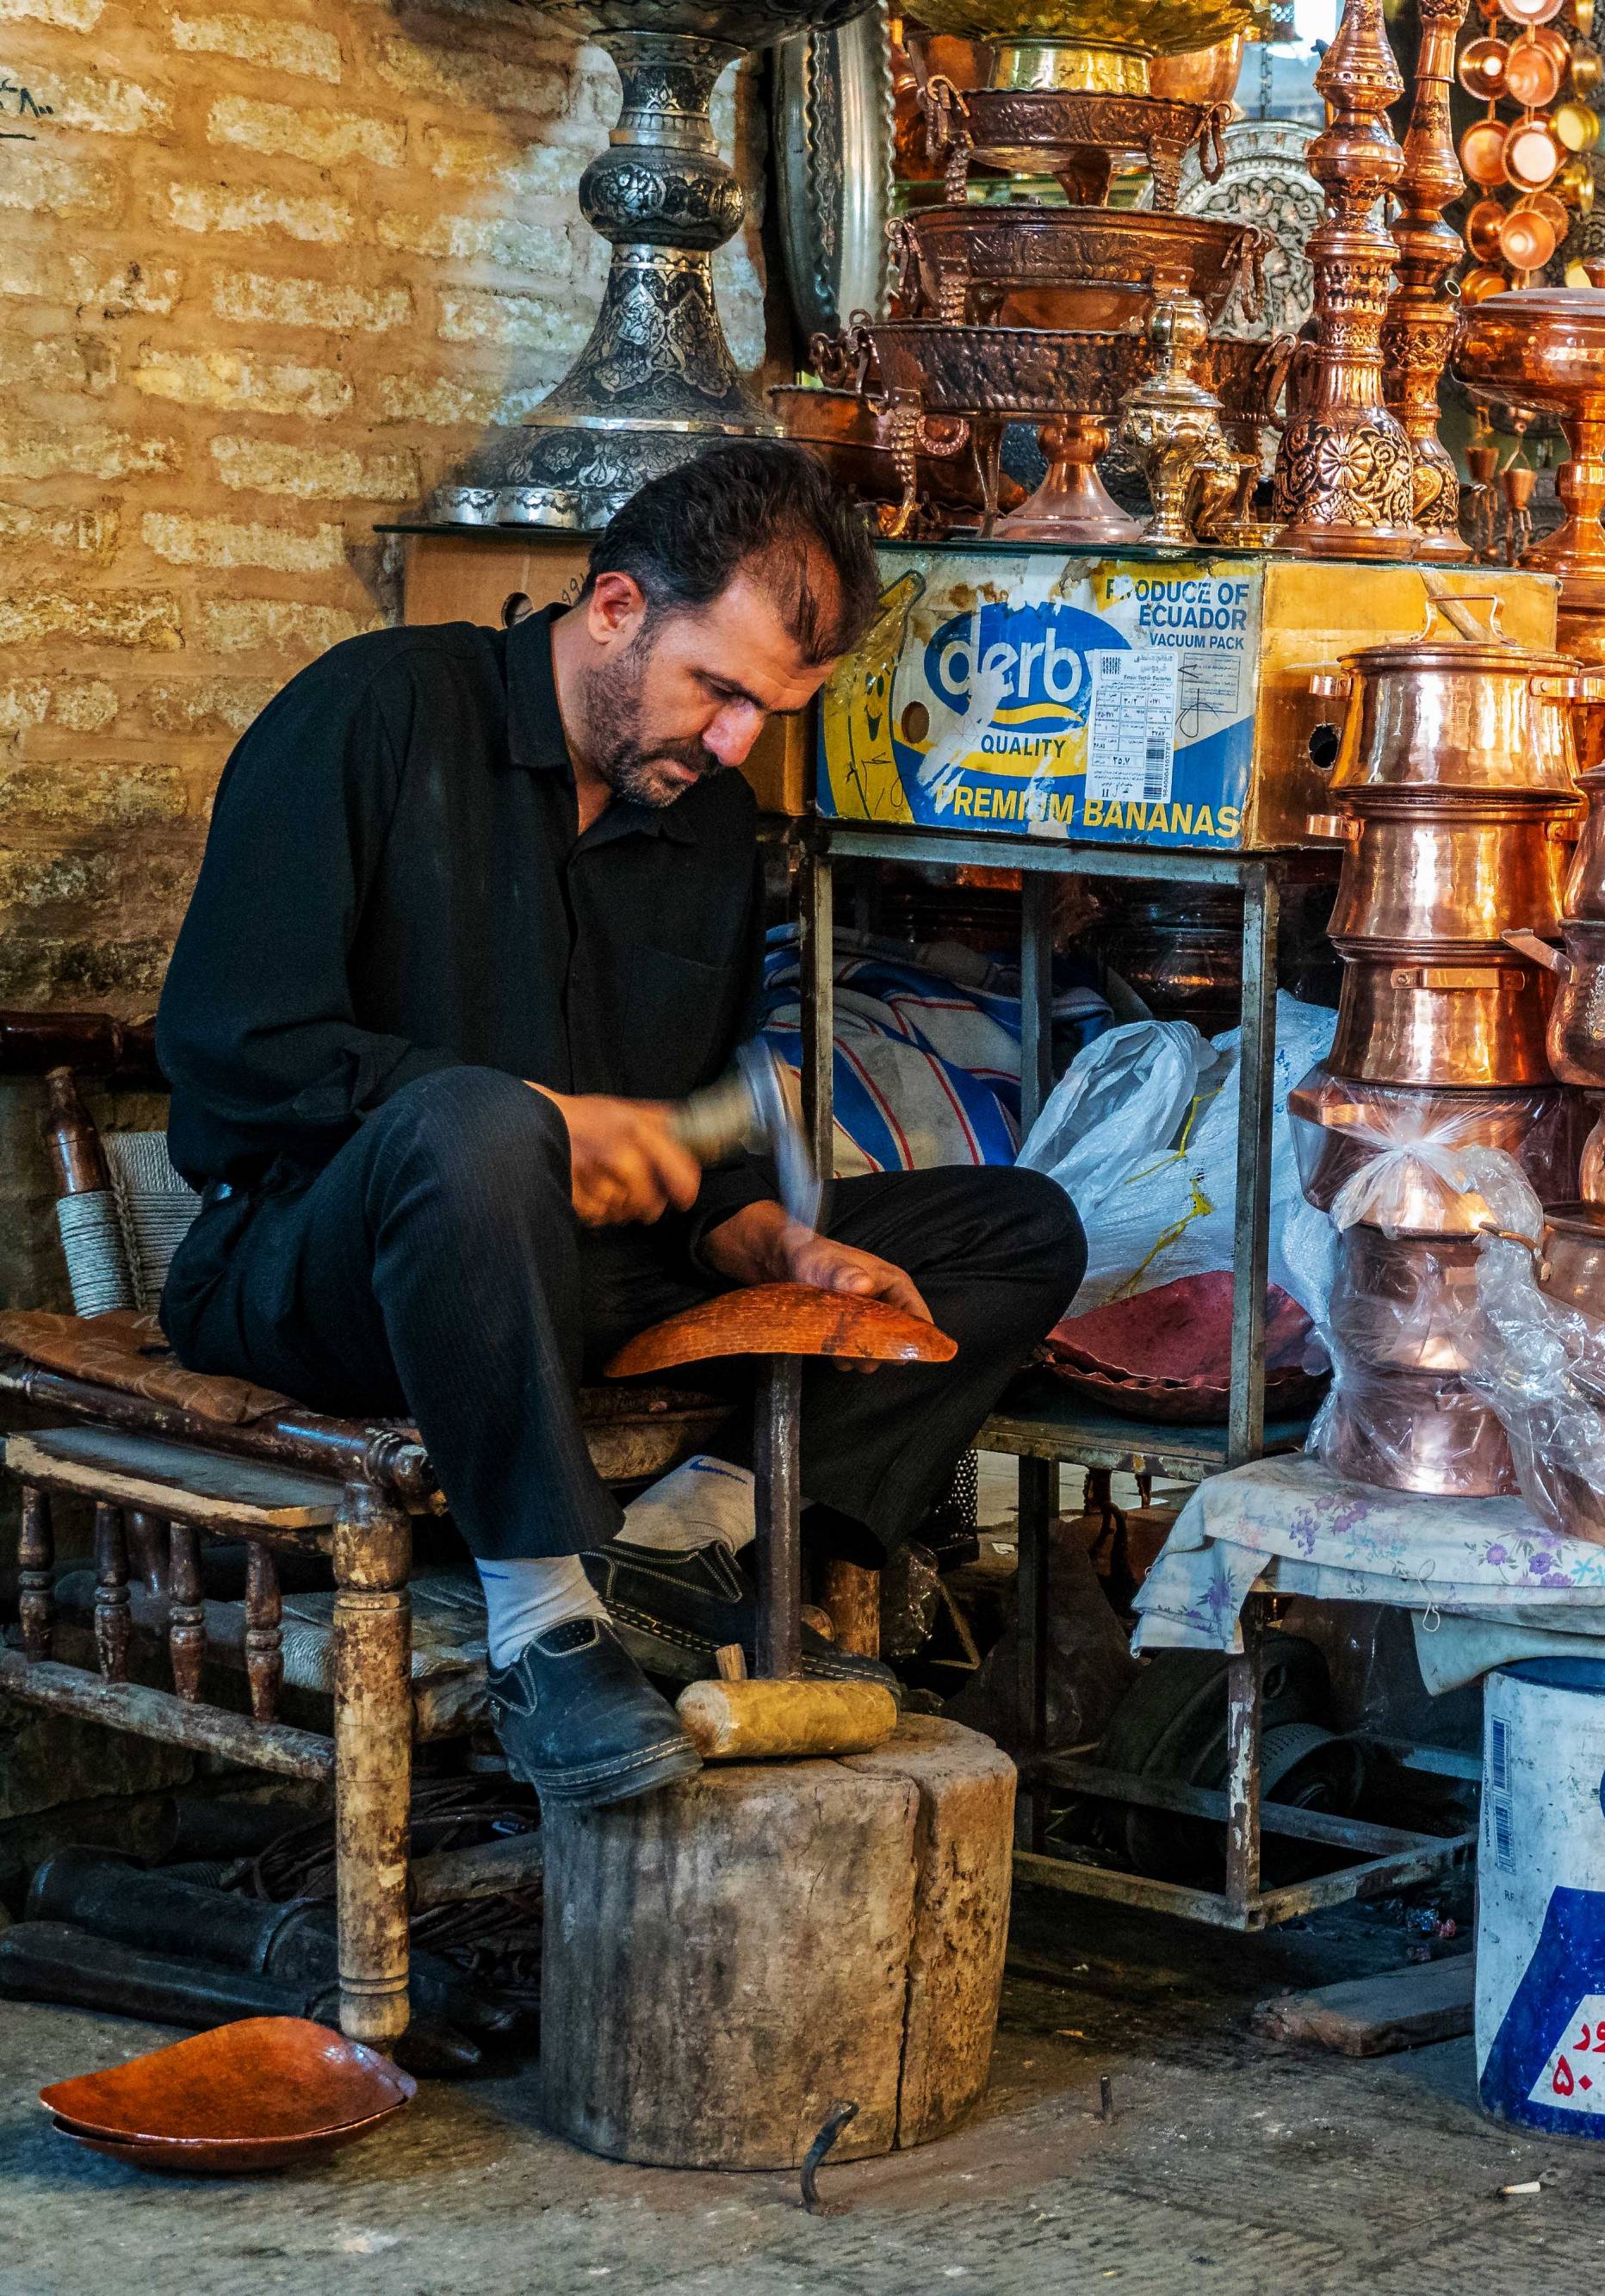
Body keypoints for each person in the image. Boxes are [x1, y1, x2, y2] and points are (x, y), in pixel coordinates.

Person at [155, 443, 1086, 1813]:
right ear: (611, 609)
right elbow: (233, 1044)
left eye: (768, 713)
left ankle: (681, 1544)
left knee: (1020, 1223)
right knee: (472, 1126)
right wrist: (542, 1120)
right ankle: (548, 1630)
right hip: (322, 1265)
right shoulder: (374, 712)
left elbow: (683, 1132)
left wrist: (761, 1234)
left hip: (588, 1275)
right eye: (717, 690)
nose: (732, 745)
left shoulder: (700, 819)